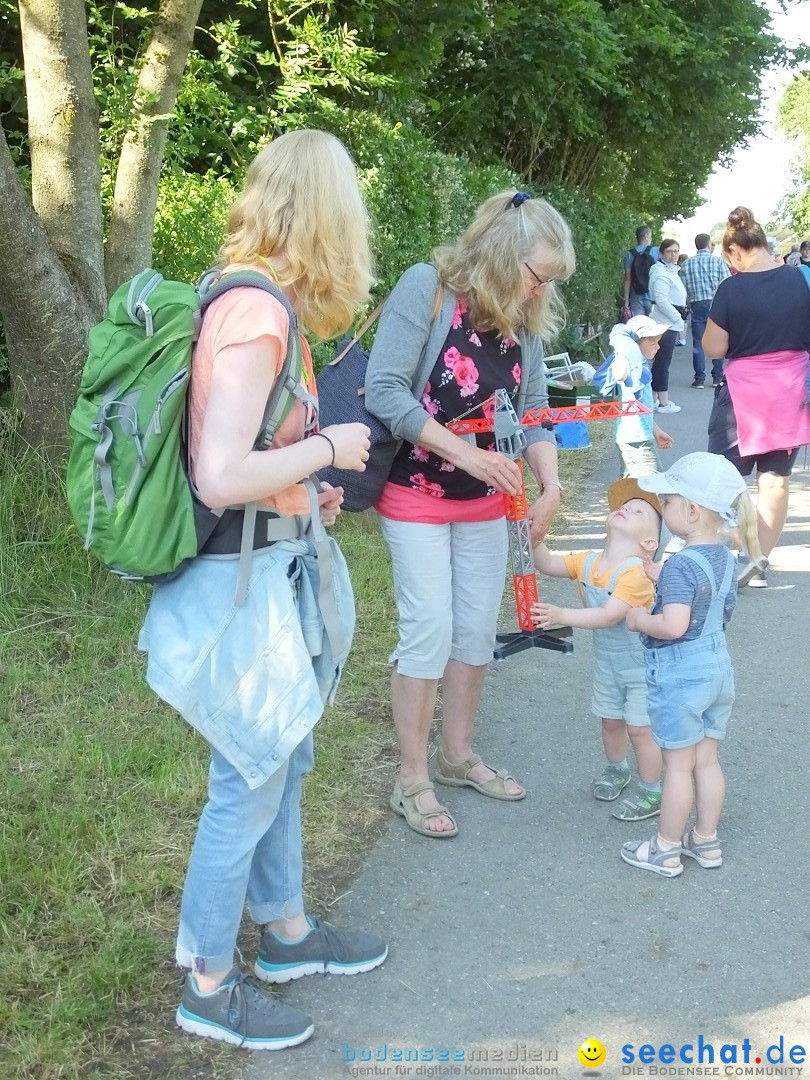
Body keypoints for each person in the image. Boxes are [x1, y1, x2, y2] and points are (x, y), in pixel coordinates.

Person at [138, 130, 387, 1050]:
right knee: (246, 778)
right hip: (236, 584)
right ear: (326, 213)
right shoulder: (257, 312)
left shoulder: (256, 301)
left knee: (280, 759)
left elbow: (247, 463)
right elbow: (217, 472)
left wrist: (301, 485)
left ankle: (285, 936)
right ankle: (207, 981)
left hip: (265, 562)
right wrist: (329, 449)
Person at [365, 190, 573, 838]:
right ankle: (412, 778)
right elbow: (384, 390)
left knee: (476, 633)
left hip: (487, 504)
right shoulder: (428, 289)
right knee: (427, 630)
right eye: (537, 276)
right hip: (417, 493)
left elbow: (533, 405)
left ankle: (456, 758)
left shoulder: (523, 320)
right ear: (503, 252)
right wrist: (467, 454)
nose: (540, 292)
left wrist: (551, 485)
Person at [620, 453, 764, 877]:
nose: (661, 510)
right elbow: (719, 610)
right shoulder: (724, 557)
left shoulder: (681, 564)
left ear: (692, 510)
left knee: (678, 766)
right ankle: (706, 842)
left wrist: (638, 619)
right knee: (707, 761)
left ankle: (665, 848)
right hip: (718, 669)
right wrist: (664, 577)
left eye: (666, 502)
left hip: (682, 676)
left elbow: (674, 624)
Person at [531, 478, 663, 822]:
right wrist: (533, 536)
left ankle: (653, 790)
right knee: (610, 721)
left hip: (641, 668)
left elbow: (608, 616)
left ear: (649, 542)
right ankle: (617, 768)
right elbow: (547, 564)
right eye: (623, 506)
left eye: (637, 511)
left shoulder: (635, 574)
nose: (625, 508)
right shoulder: (589, 561)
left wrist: (562, 615)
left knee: (640, 729)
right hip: (608, 664)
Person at [703, 206, 810, 588]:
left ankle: (727, 552)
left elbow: (714, 347)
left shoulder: (731, 288)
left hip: (743, 396)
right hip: (791, 391)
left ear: (735, 252)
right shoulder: (800, 279)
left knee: (722, 478)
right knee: (776, 481)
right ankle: (756, 561)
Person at [602, 315, 674, 479]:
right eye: (652, 343)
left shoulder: (641, 366)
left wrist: (656, 430)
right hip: (635, 439)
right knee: (654, 487)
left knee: (631, 490)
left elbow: (642, 406)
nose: (658, 347)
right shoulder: (629, 364)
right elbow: (619, 374)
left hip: (637, 436)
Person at [678, 233, 731, 389]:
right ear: (708, 244)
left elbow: (682, 289)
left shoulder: (687, 264)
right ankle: (717, 376)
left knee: (698, 342)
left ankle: (699, 378)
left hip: (697, 304)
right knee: (718, 338)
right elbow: (727, 283)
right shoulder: (719, 262)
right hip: (716, 304)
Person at [648, 239, 687, 413]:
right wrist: (678, 318)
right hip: (665, 322)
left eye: (676, 251)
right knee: (663, 362)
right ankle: (663, 402)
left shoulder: (669, 271)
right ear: (662, 253)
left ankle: (655, 398)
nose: (674, 254)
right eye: (670, 251)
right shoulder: (660, 272)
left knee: (661, 362)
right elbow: (662, 301)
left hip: (669, 319)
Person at [622, 225, 660, 318]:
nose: (651, 238)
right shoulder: (656, 251)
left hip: (636, 296)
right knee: (653, 328)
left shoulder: (629, 254)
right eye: (651, 236)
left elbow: (628, 278)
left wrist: (626, 301)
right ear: (646, 236)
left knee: (639, 327)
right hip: (653, 296)